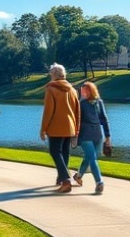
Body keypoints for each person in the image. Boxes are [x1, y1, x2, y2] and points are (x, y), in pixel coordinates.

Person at [39, 63, 81, 193]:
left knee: (55, 151)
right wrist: (77, 129)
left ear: (54, 75)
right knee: (64, 151)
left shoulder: (51, 89)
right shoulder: (73, 90)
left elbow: (48, 111)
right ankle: (61, 178)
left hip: (56, 126)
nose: (50, 77)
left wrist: (43, 129)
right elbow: (77, 111)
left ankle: (66, 180)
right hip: (70, 126)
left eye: (51, 74)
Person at [74, 81, 111, 195]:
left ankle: (79, 175)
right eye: (82, 90)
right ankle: (99, 182)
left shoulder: (99, 102)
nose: (83, 92)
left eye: (85, 90)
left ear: (91, 90)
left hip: (97, 134)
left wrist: (108, 136)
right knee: (92, 158)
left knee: (90, 157)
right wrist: (75, 134)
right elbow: (77, 120)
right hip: (85, 134)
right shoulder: (81, 104)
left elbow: (104, 119)